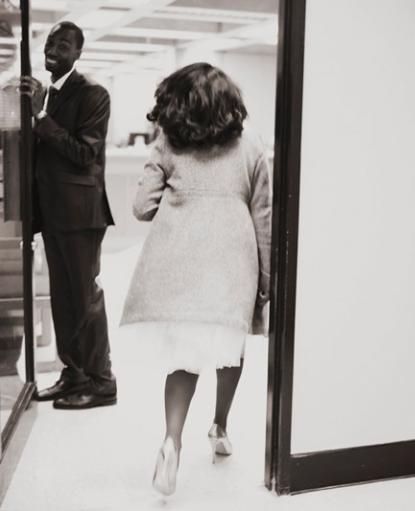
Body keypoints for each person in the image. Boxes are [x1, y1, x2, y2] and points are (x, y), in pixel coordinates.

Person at [119, 62, 271, 496]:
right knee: (230, 349)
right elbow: (263, 218)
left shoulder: (168, 144)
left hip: (181, 265)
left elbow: (141, 207)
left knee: (185, 358)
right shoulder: (251, 147)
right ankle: (219, 427)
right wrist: (267, 279)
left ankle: (171, 441)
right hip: (232, 262)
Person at [20, 22, 117, 410]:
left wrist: (40, 119)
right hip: (53, 214)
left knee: (85, 299)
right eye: (49, 42)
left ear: (77, 53)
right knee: (63, 299)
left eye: (63, 44)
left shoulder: (94, 94)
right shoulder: (46, 97)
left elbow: (83, 153)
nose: (53, 49)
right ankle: (74, 374)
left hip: (81, 215)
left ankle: (102, 381)